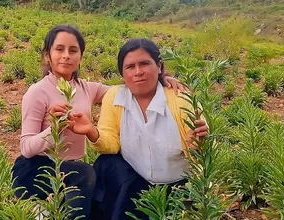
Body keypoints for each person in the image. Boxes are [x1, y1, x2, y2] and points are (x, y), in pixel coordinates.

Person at [11, 25, 184, 220]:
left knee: (92, 181)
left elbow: (127, 87)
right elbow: (26, 148)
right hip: (38, 169)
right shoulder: (37, 92)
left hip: (70, 170)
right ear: (47, 55)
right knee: (85, 174)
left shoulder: (86, 88)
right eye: (59, 49)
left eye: (73, 50)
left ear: (80, 57)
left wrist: (161, 78)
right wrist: (54, 129)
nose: (66, 55)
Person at [66, 38, 209, 220]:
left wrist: (197, 145)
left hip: (178, 187)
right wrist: (91, 131)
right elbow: (111, 144)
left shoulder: (180, 98)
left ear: (159, 67)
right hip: (136, 182)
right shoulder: (115, 97)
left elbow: (201, 144)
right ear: (122, 73)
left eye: (145, 64)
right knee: (106, 164)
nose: (138, 72)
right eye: (130, 67)